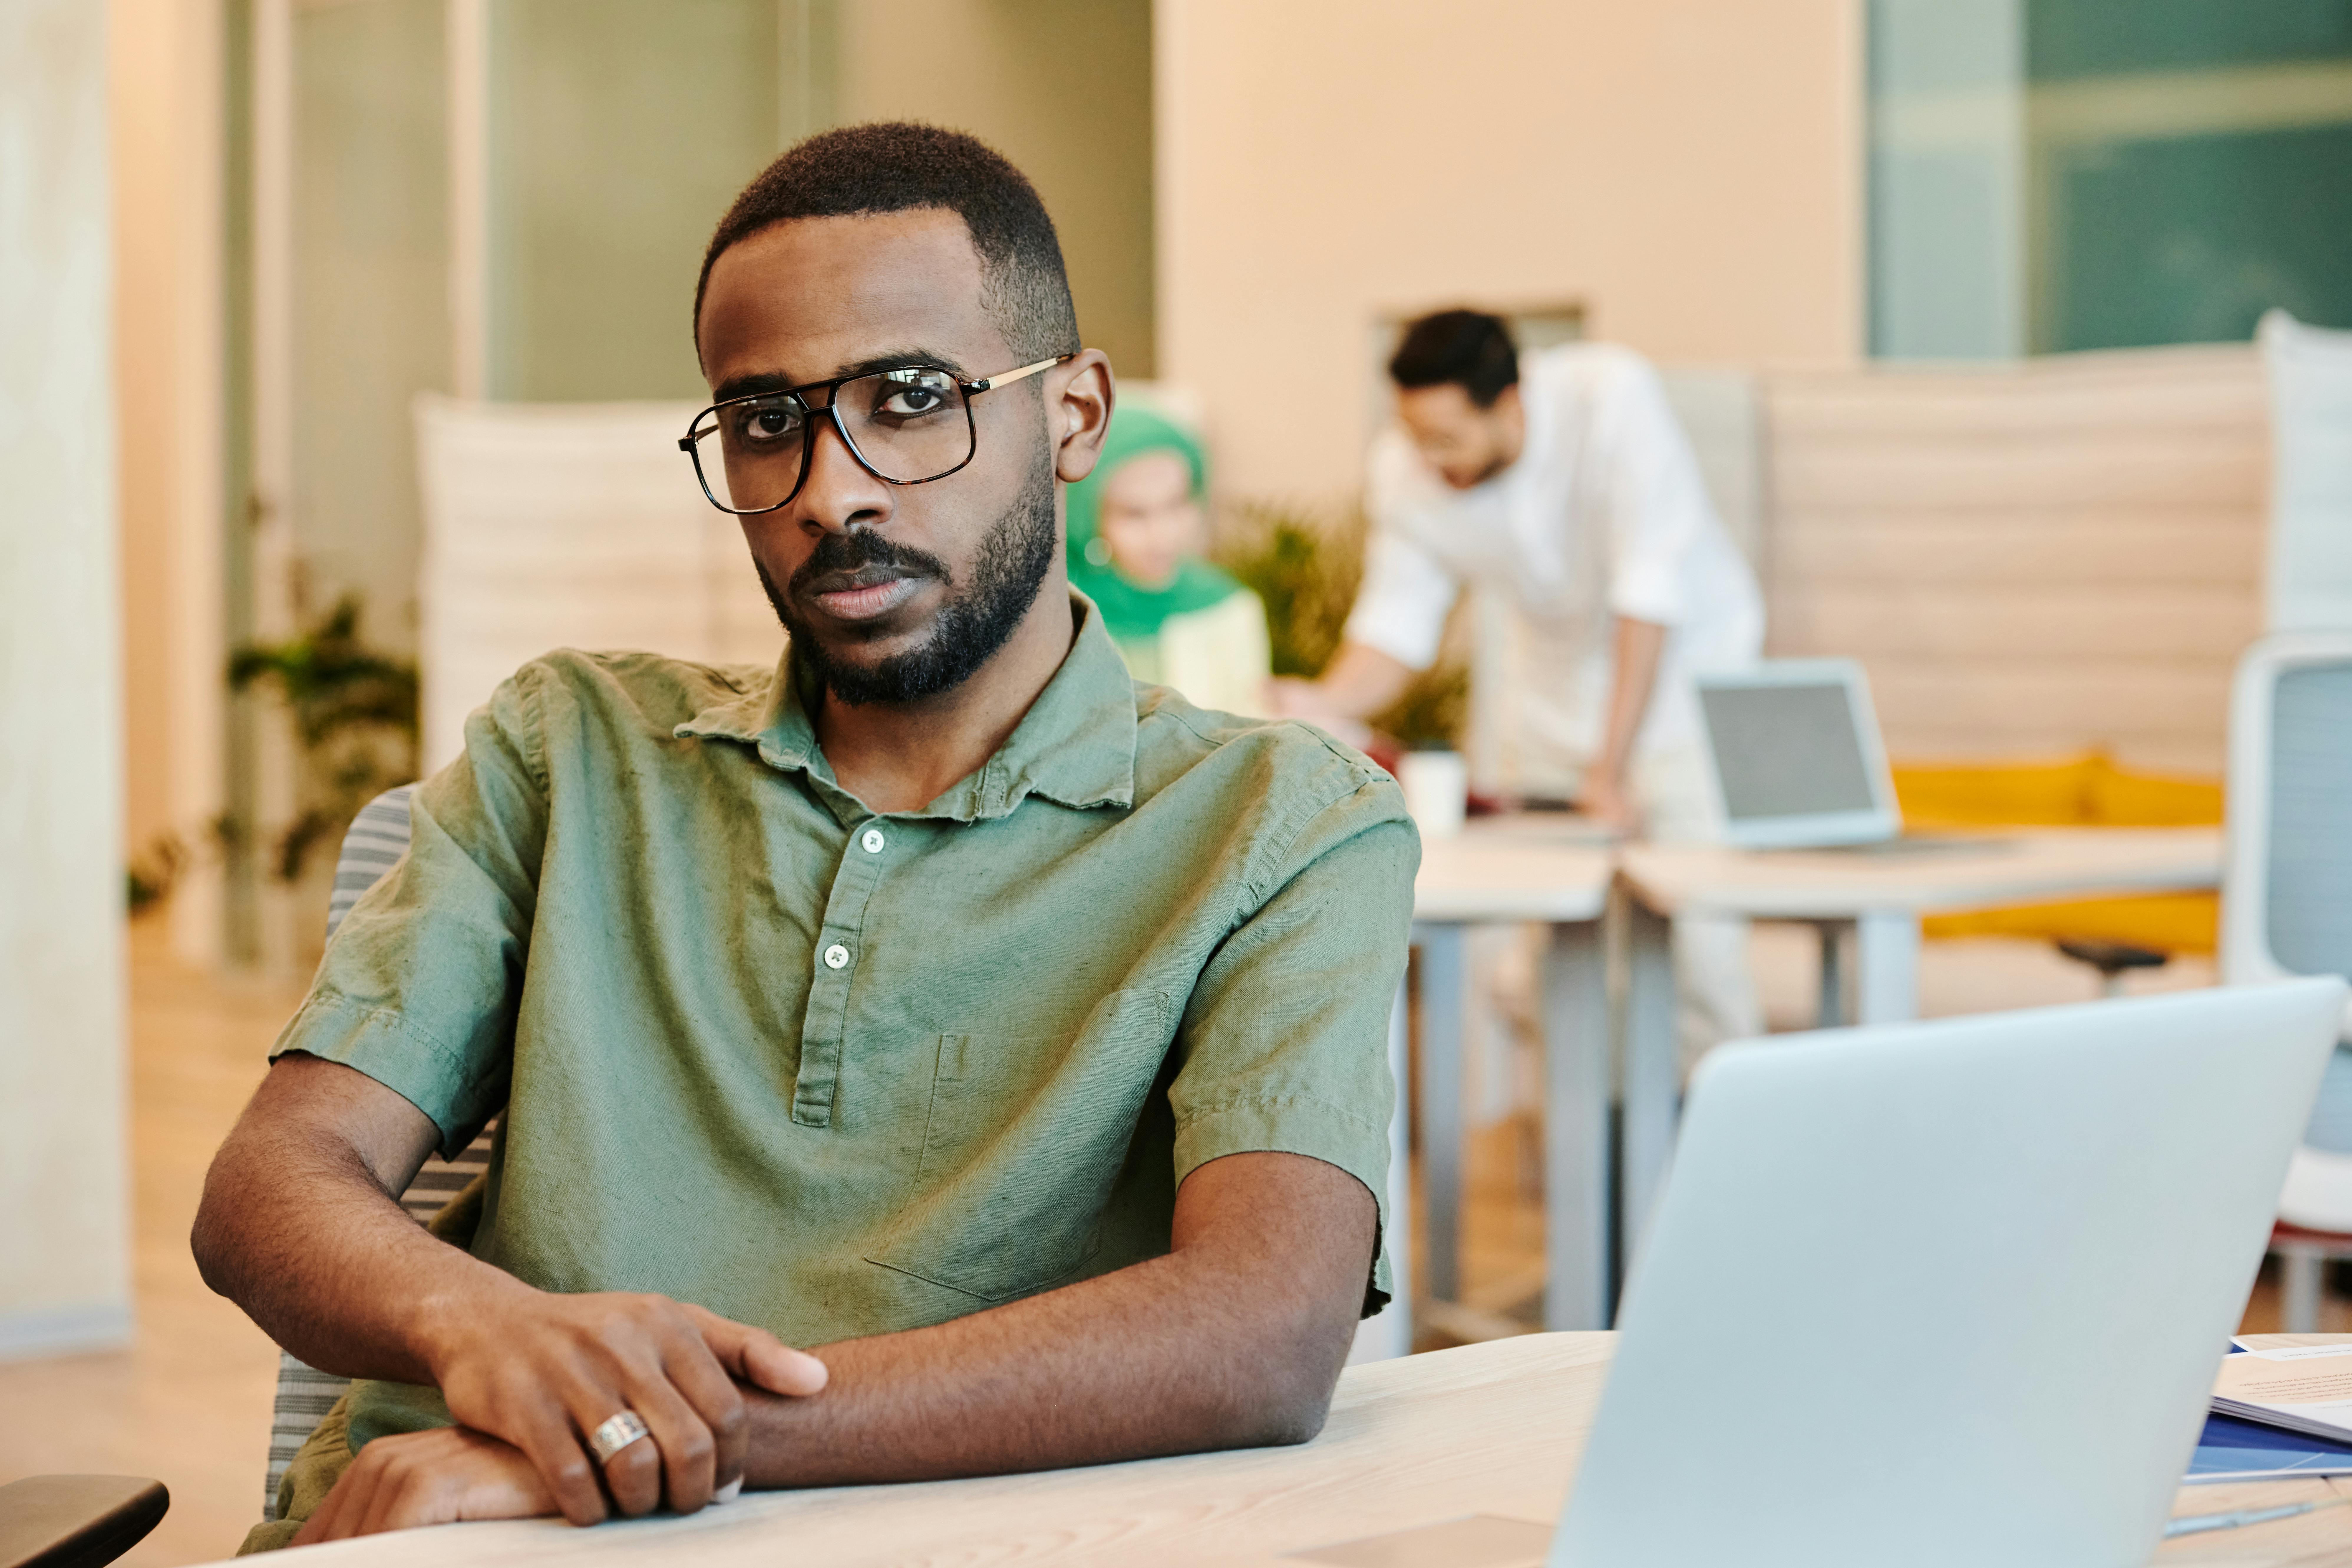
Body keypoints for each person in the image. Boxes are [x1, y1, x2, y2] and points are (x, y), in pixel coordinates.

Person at [196, 123, 1414, 1550]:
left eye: (911, 398)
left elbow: (1262, 1331)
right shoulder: (568, 749)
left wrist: (628, 1439)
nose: (832, 492)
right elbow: (265, 1191)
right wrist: (483, 1331)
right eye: (767, 419)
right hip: (449, 1535)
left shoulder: (1282, 825)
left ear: (1076, 415)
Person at [1270, 309, 1763, 1057]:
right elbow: (1397, 624)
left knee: (1702, 952)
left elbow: (1648, 596)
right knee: (1549, 959)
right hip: (1553, 700)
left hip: (1682, 689)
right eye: (1415, 435)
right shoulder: (1406, 469)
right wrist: (1320, 704)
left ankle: (1724, 1151)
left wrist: (1610, 771)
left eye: (1447, 438)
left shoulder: (1610, 401)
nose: (1431, 459)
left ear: (1509, 402)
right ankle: (1579, 1156)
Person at [1065, 404, 1270, 715]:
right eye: (1134, 514)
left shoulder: (1230, 608)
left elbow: (1248, 735)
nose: (1163, 535)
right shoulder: (1061, 613)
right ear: (1090, 516)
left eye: (1177, 505)